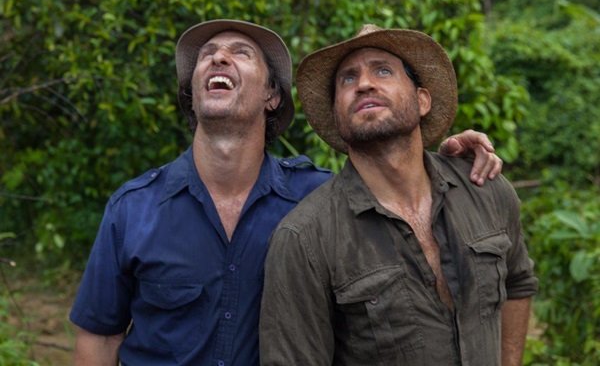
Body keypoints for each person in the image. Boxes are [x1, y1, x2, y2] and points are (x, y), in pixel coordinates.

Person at [69, 19, 503, 366]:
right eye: (206, 55)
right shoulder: (134, 208)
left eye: (241, 52)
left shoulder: (318, 201)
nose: (218, 57)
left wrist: (444, 158)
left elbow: (393, 182)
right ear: (191, 94)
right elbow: (99, 340)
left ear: (272, 95)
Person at [260, 24, 538, 366]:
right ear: (336, 114)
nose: (364, 84)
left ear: (422, 100)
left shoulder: (485, 189)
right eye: (347, 78)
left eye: (383, 70)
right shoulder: (305, 239)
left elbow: (518, 284)